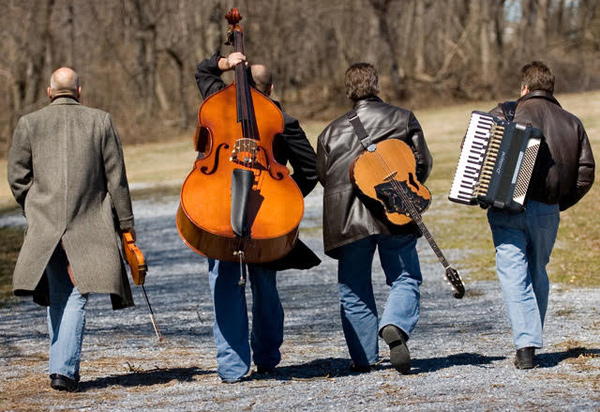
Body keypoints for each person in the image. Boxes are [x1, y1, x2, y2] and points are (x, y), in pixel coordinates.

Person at [7, 67, 136, 392]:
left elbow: (17, 176)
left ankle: (59, 367)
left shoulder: (29, 123)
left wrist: (34, 207)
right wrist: (126, 225)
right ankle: (63, 370)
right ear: (79, 90)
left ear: (51, 92)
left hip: (45, 226)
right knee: (74, 295)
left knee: (63, 293)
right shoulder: (100, 120)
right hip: (89, 223)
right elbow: (116, 179)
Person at [194, 51, 319, 383]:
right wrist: (283, 198)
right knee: (265, 285)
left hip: (218, 207)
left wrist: (225, 62)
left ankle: (232, 367)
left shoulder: (218, 103)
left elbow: (202, 72)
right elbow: (311, 170)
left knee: (224, 283)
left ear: (238, 84)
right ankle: (266, 357)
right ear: (272, 87)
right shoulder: (283, 120)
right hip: (264, 214)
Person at [316, 63, 433, 374]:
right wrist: (396, 192)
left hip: (347, 219)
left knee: (353, 287)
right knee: (405, 276)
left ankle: (364, 358)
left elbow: (325, 177)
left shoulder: (329, 132)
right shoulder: (403, 117)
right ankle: (395, 323)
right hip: (395, 211)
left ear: (348, 91)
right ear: (377, 85)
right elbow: (421, 163)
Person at [486, 61, 595, 369]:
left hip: (506, 207)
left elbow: (482, 155)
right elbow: (585, 173)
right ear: (551, 89)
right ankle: (529, 342)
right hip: (547, 209)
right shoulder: (572, 122)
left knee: (512, 272)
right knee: (537, 270)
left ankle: (526, 344)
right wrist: (558, 203)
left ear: (524, 88)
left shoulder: (505, 112)